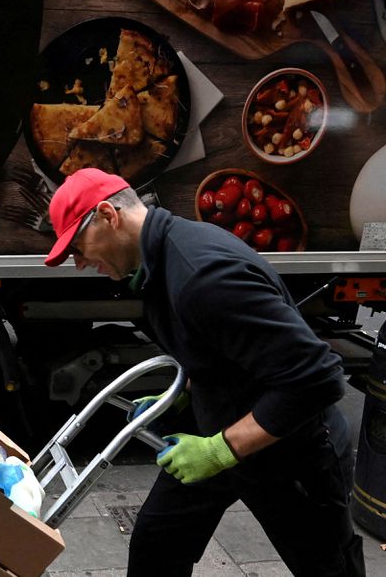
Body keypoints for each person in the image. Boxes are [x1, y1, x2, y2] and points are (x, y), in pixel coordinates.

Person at [44, 167, 365, 576]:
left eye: (77, 247)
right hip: (217, 422)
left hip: (288, 451)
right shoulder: (159, 262)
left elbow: (316, 377)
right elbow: (216, 344)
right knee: (157, 543)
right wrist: (177, 397)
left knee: (326, 567)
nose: (78, 263)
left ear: (109, 215)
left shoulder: (203, 274)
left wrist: (218, 451)